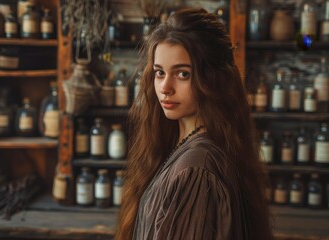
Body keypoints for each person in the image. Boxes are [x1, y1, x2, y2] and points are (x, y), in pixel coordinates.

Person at [116, 8, 273, 240]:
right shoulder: (186, 145)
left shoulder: (195, 172)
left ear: (213, 79)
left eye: (182, 74)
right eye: (160, 73)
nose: (165, 87)